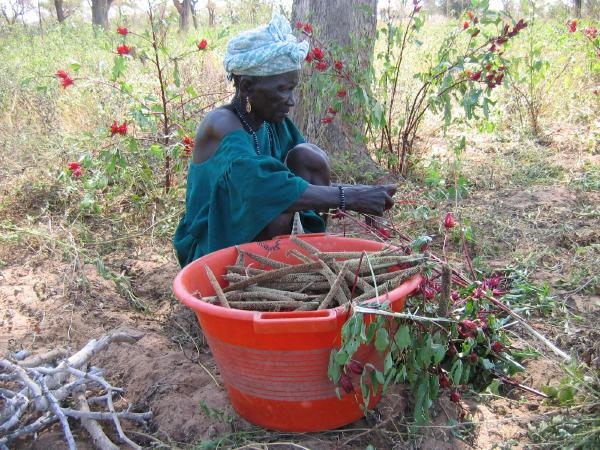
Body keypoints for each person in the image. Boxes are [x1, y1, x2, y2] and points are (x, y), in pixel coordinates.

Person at [173, 14, 397, 267]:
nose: (291, 100)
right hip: (212, 244)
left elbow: (301, 180)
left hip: (252, 229)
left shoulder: (271, 122)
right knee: (275, 196)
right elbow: (264, 189)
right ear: (246, 86)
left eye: (292, 89)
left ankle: (312, 257)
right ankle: (255, 273)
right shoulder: (221, 125)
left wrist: (366, 195)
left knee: (308, 157)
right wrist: (351, 197)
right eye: (282, 89)